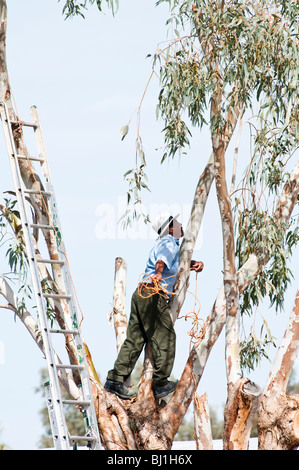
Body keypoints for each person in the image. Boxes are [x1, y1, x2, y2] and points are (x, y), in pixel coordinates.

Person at [104, 212, 204, 400]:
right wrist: (158, 275)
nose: (182, 224)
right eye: (177, 223)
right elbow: (162, 262)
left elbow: (173, 263)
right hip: (153, 294)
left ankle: (115, 380)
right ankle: (159, 382)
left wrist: (193, 264)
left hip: (141, 294)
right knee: (165, 336)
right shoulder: (168, 242)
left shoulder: (169, 245)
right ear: (170, 228)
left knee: (135, 340)